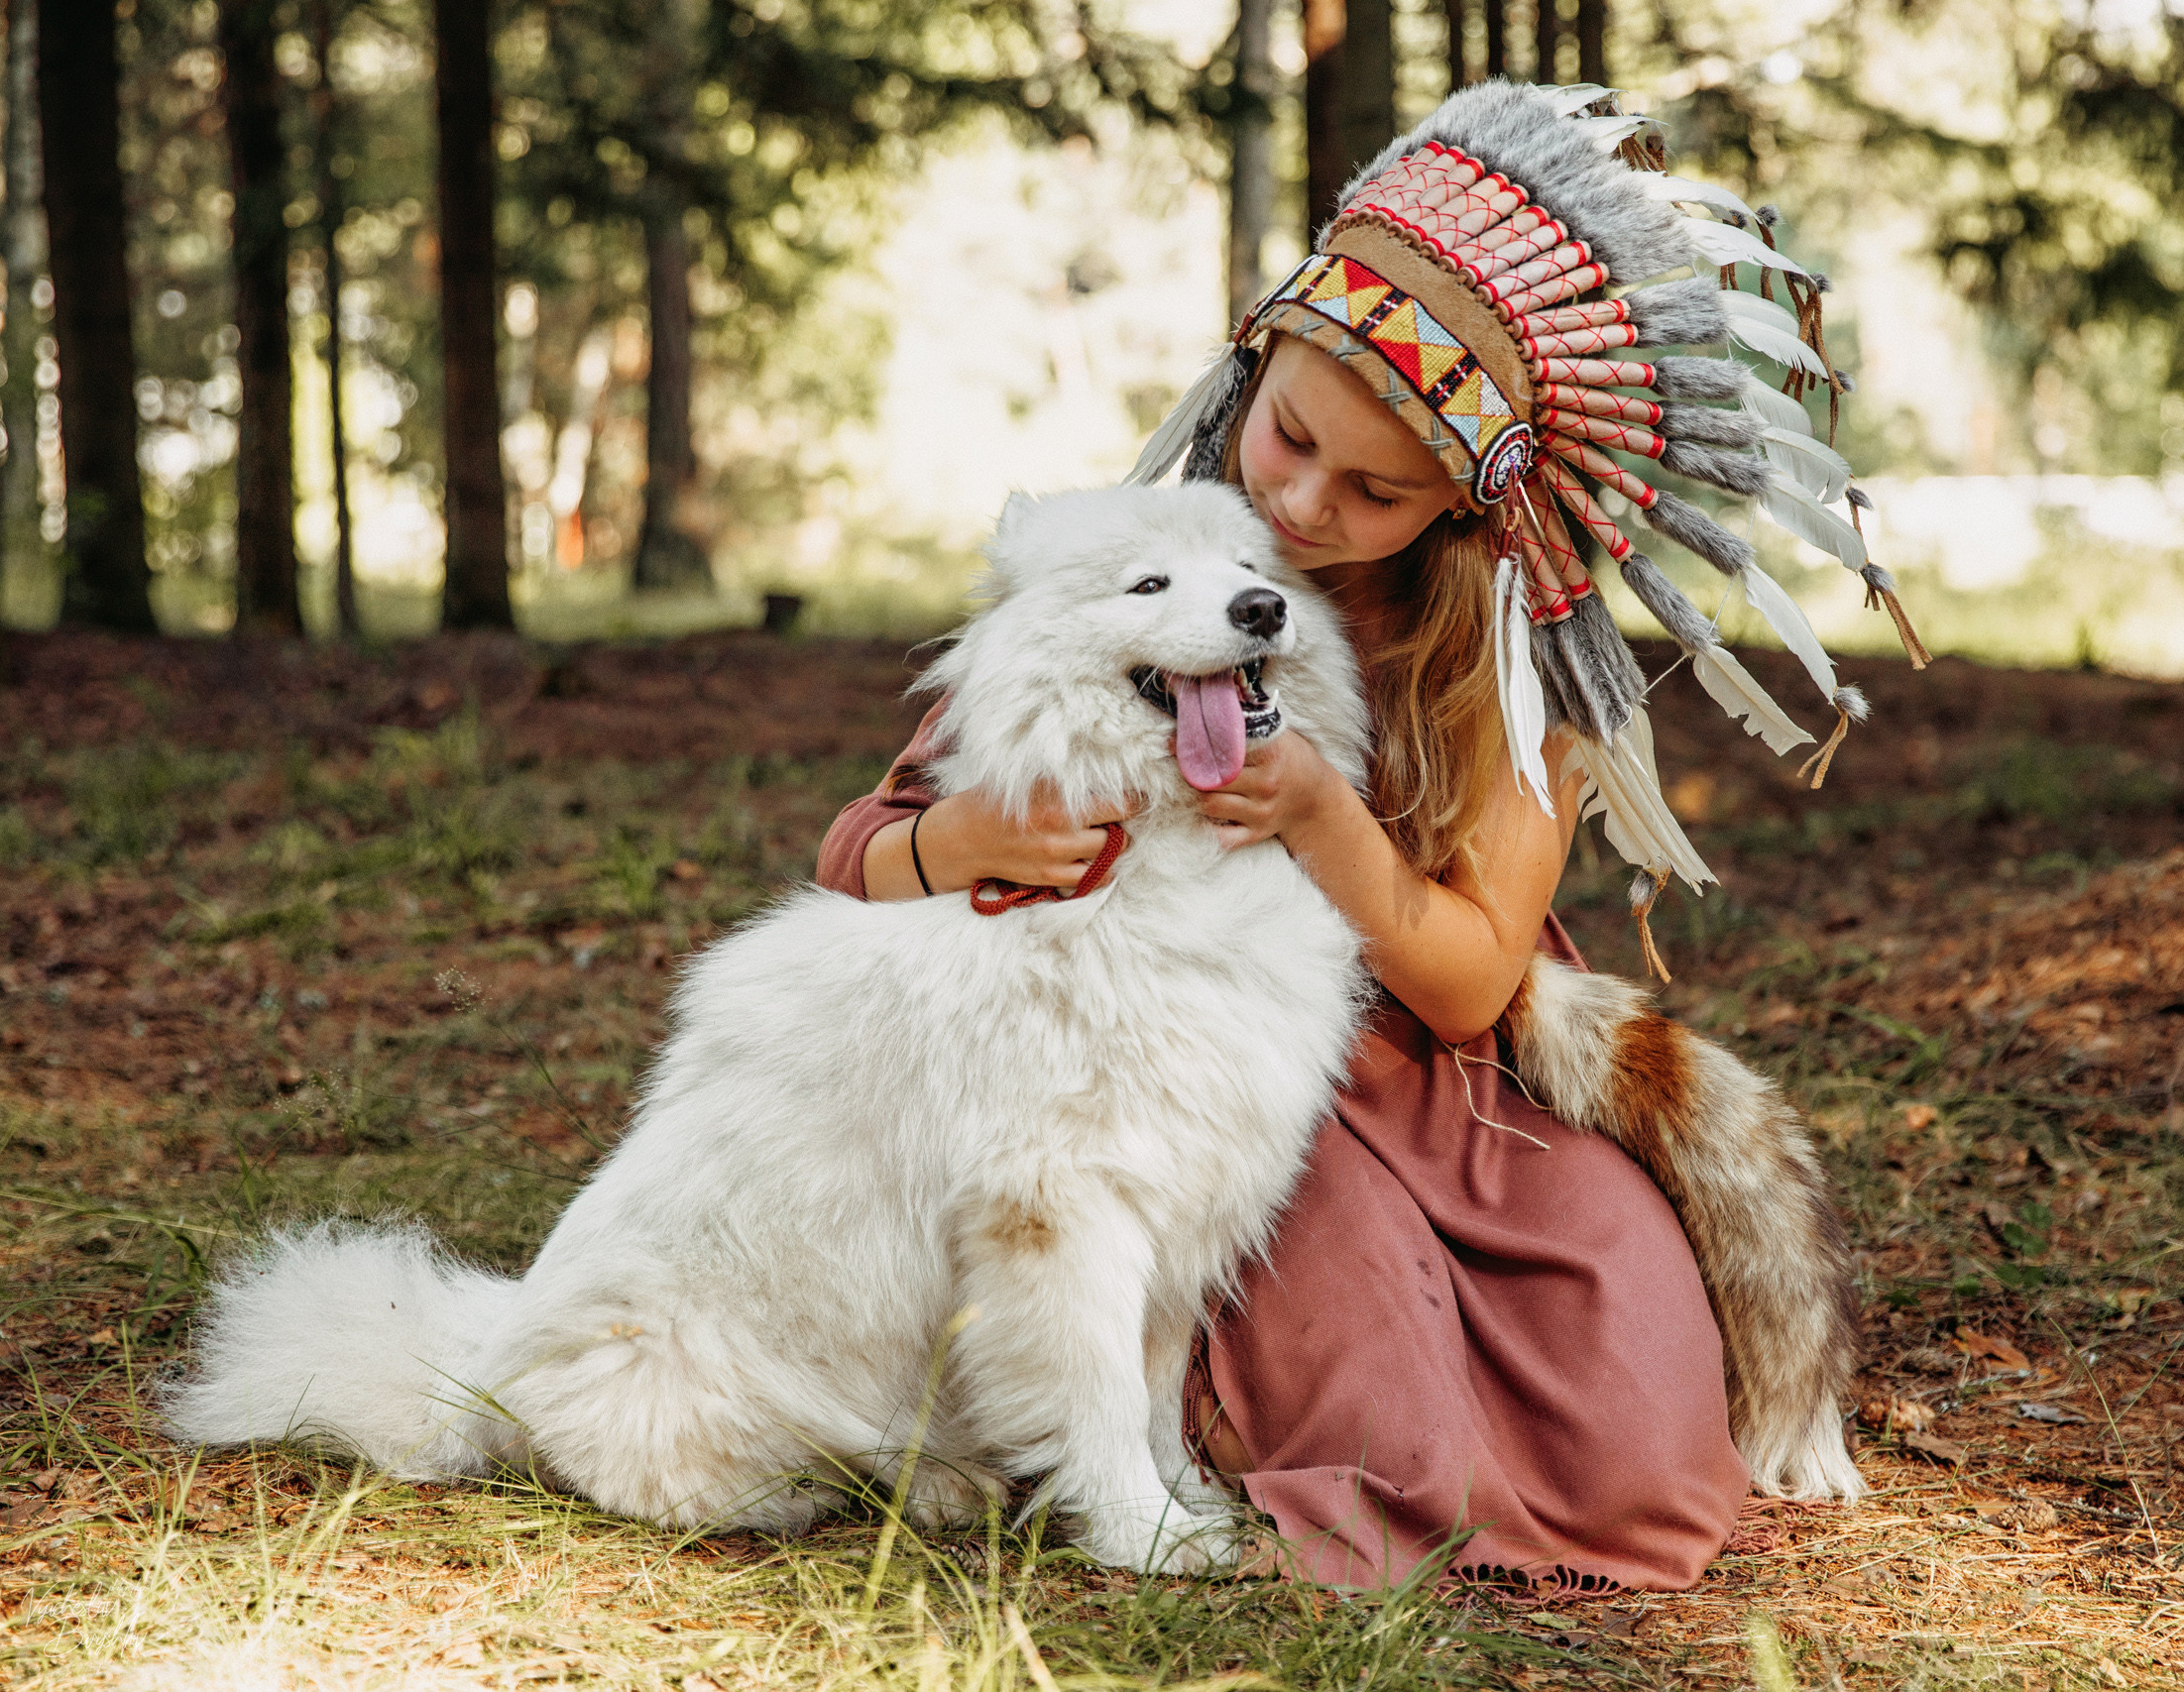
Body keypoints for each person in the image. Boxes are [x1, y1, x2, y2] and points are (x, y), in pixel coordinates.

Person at [816, 81, 1919, 1590]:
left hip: (1445, 1079)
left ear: (1469, 498)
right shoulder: (1159, 558)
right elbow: (860, 850)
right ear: (1256, 363)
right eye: (1287, 438)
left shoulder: (1511, 651)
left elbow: (1471, 982)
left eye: (1376, 489)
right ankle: (1139, 1428)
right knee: (1388, 1452)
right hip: (1202, 1067)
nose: (1304, 502)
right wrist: (959, 845)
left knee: (1648, 1467)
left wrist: (1328, 820)